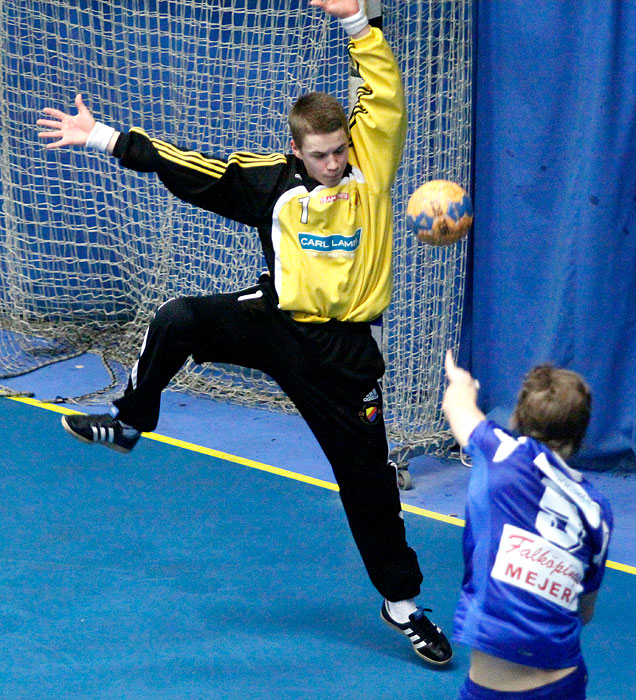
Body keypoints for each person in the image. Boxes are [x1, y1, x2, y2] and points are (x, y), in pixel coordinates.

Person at [37, 0, 452, 666]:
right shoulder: (271, 182)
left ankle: (402, 605)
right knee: (179, 318)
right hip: (276, 322)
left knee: (368, 486)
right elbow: (192, 170)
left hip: (343, 355)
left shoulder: (369, 163)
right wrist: (102, 137)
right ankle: (132, 421)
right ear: (295, 149)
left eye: (339, 150)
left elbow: (386, 92)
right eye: (319, 155)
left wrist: (355, 25)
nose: (332, 164)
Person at [442, 350, 613, 699]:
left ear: (517, 417)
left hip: (492, 689)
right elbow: (584, 611)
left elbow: (456, 405)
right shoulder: (598, 510)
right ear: (580, 434)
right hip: (566, 683)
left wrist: (462, 381)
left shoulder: (499, 451)